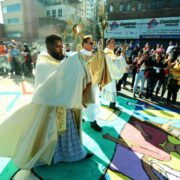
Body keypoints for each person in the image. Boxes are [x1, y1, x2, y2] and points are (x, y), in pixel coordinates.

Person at [0, 34, 94, 179]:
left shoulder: (59, 60)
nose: (61, 48)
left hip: (63, 103)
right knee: (48, 133)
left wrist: (76, 61)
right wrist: (75, 60)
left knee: (67, 131)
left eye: (62, 46)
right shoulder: (43, 60)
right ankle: (48, 157)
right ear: (49, 47)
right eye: (58, 46)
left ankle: (72, 154)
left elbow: (65, 74)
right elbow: (54, 77)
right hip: (49, 107)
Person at [81, 35, 111, 132]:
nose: (92, 45)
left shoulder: (91, 54)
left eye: (93, 43)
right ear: (84, 44)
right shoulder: (79, 55)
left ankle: (88, 118)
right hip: (84, 84)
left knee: (91, 103)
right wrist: (98, 56)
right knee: (89, 103)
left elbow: (97, 67)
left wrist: (101, 56)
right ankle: (92, 121)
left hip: (92, 84)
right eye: (90, 43)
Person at [101, 38, 126, 109]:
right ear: (108, 43)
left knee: (111, 88)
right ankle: (112, 104)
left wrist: (121, 55)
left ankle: (112, 103)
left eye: (114, 42)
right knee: (111, 89)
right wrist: (121, 57)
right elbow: (113, 64)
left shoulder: (110, 52)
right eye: (113, 42)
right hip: (109, 75)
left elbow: (115, 60)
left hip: (109, 74)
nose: (114, 44)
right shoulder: (107, 52)